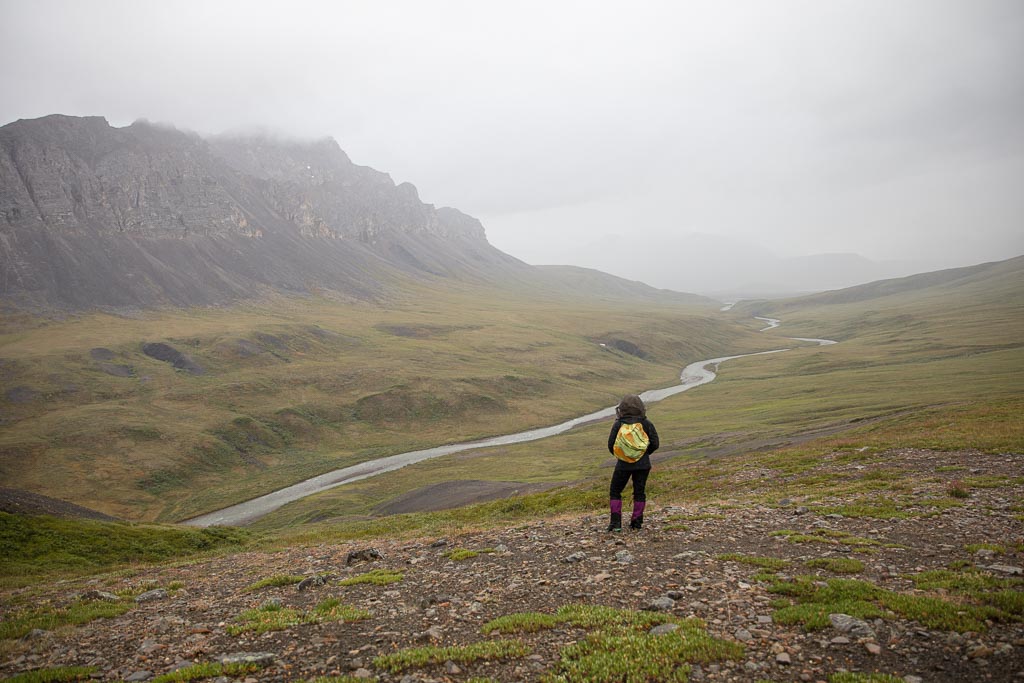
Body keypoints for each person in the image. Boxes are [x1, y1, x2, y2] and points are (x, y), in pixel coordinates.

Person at [606, 394, 659, 531]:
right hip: (643, 465)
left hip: (623, 465)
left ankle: (615, 524)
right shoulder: (646, 423)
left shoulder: (618, 424)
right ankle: (636, 523)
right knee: (639, 492)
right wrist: (643, 454)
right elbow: (655, 443)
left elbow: (611, 445)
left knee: (615, 491)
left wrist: (623, 456)